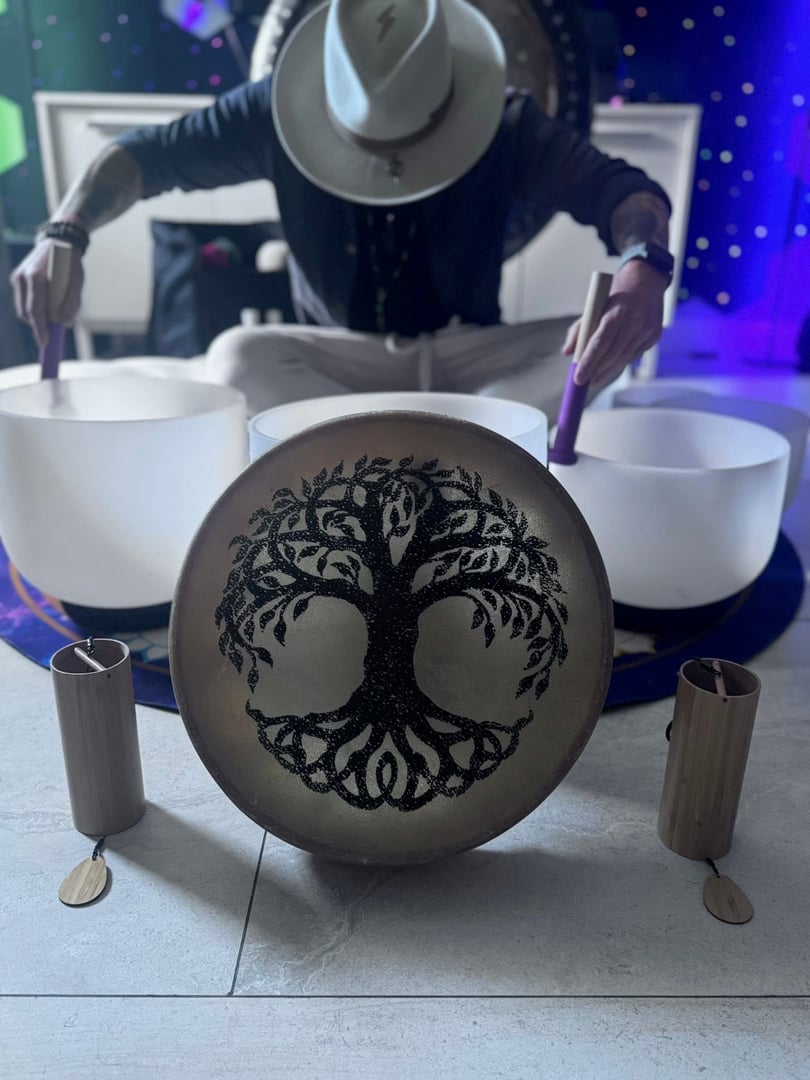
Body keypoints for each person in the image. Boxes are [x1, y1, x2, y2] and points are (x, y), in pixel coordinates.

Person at [11, 0, 674, 417]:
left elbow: (621, 191)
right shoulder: (270, 110)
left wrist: (643, 267)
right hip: (337, 356)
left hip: (467, 348)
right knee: (237, 357)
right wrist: (64, 231)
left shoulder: (507, 122)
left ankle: (405, 434)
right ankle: (463, 437)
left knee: (587, 355)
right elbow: (145, 157)